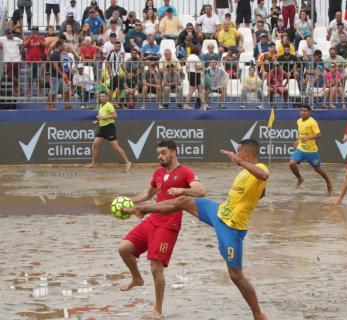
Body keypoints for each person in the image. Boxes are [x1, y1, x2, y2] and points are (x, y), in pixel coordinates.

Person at [122, 139, 269, 320]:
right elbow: (261, 191)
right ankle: (143, 210)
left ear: (245, 154)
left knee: (235, 275)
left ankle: (258, 315)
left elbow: (263, 176)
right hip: (219, 212)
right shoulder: (245, 172)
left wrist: (237, 161)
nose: (236, 154)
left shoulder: (259, 168)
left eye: (238, 152)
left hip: (231, 227)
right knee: (183, 201)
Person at [118, 140, 205, 319]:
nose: (160, 156)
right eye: (158, 153)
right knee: (124, 249)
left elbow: (201, 191)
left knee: (156, 267)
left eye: (164, 153)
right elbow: (148, 193)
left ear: (173, 153)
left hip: (169, 224)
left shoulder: (185, 172)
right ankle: (137, 278)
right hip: (152, 220)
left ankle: (157, 310)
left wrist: (182, 190)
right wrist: (129, 201)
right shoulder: (157, 172)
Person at [289, 105, 333, 192]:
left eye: (305, 111)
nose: (303, 112)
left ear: (309, 112)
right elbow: (301, 134)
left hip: (311, 151)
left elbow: (318, 135)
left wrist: (308, 138)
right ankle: (300, 179)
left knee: (317, 169)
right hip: (300, 149)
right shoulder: (298, 121)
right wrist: (297, 140)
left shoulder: (312, 122)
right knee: (291, 164)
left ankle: (328, 180)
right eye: (301, 110)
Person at [86, 91, 131, 170]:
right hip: (102, 128)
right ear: (99, 98)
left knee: (115, 147)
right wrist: (98, 121)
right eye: (101, 96)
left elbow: (115, 116)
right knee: (95, 145)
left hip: (109, 128)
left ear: (107, 97)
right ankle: (93, 163)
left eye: (104, 96)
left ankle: (127, 162)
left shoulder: (109, 105)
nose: (102, 98)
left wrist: (104, 118)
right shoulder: (100, 106)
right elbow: (102, 117)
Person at [22, 26, 46, 97]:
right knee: (30, 78)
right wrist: (30, 38)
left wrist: (38, 38)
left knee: (39, 78)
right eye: (33, 30)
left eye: (35, 30)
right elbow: (25, 45)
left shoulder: (41, 38)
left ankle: (40, 92)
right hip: (30, 61)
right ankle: (29, 92)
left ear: (38, 31)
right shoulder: (28, 38)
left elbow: (44, 45)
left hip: (38, 61)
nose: (34, 31)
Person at [0, 29, 23, 96]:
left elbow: (24, 43)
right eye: (8, 33)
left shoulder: (17, 39)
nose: (9, 34)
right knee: (10, 76)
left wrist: (21, 50)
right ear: (6, 34)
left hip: (17, 60)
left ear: (12, 33)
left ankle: (14, 92)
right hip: (8, 61)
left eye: (10, 33)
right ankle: (20, 86)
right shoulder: (2, 39)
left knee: (16, 76)